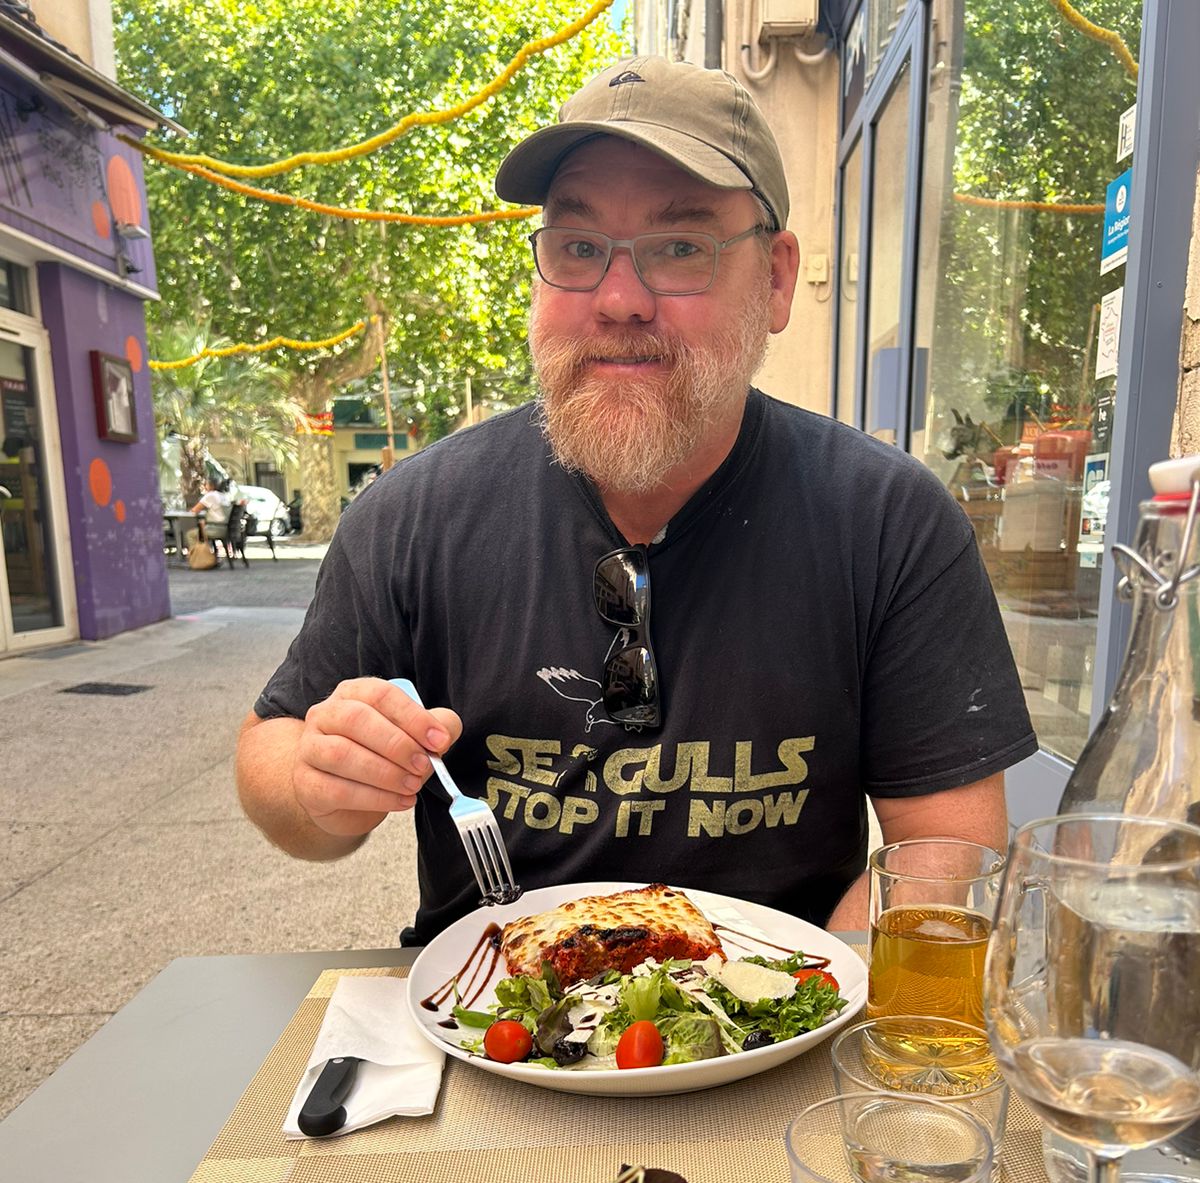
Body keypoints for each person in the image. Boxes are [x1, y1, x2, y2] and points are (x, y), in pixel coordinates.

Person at [237, 55, 1036, 944]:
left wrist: (798, 986)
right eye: (579, 248)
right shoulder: (414, 515)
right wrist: (319, 783)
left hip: (791, 1007)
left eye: (680, 248)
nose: (618, 300)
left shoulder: (887, 523)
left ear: (776, 279)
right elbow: (270, 755)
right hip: (484, 1004)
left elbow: (950, 848)